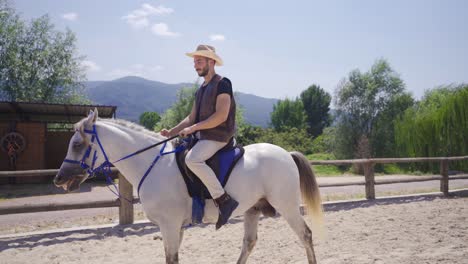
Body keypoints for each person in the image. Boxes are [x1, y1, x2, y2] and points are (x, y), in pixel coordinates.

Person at [160, 44, 238, 230]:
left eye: (199, 61)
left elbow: (221, 116)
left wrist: (194, 128)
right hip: (203, 136)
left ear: (211, 62)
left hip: (219, 136)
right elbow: (191, 117)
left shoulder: (223, 84)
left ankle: (223, 200)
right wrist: (170, 132)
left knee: (193, 159)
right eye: (195, 62)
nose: (196, 65)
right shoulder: (201, 89)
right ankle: (194, 205)